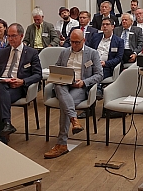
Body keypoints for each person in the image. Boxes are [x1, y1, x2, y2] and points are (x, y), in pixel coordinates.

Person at [44, 30, 104, 159]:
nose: (74, 45)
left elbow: (99, 75)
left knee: (65, 103)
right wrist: (58, 75)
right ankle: (74, 120)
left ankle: (61, 144)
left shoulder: (92, 53)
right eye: (72, 42)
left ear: (84, 41)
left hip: (80, 86)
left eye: (77, 42)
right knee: (59, 86)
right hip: (63, 84)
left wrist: (84, 82)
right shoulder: (65, 52)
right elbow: (57, 67)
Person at [0, 23, 42, 140]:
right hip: (1, 84)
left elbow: (38, 75)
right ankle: (6, 124)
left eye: (14, 36)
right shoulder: (3, 52)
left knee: (0, 94)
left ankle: (2, 131)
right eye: (9, 36)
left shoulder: (32, 53)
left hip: (17, 87)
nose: (10, 39)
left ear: (21, 36)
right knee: (0, 87)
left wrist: (22, 81)